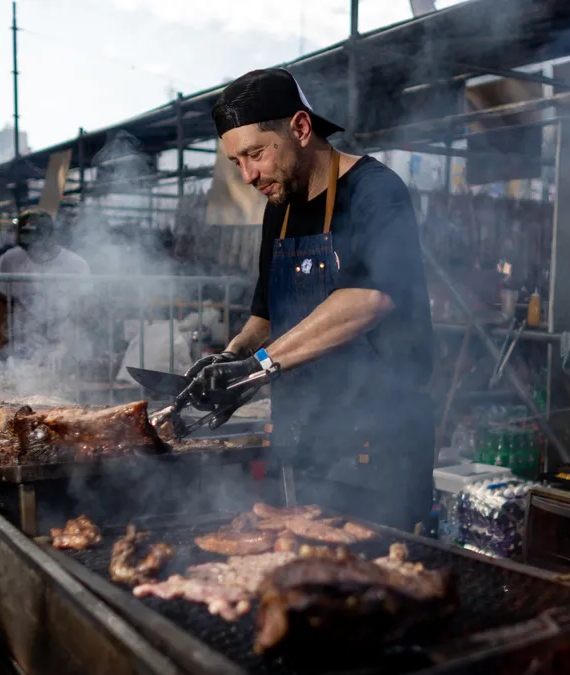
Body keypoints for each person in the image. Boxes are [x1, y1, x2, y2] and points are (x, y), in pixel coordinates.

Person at [178, 68, 435, 531]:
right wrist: (231, 359)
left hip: (377, 450)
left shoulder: (376, 191)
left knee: (374, 586)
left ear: (299, 128)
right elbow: (265, 316)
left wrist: (257, 366)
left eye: (255, 154)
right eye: (236, 162)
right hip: (303, 444)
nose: (248, 175)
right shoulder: (280, 210)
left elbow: (369, 298)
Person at [0, 208, 90, 365]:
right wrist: (4, 339)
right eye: (27, 245)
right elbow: (3, 301)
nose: (32, 250)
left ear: (51, 236)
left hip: (63, 344)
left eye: (37, 243)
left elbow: (83, 310)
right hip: (23, 344)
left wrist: (65, 346)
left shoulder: (76, 265)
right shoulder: (11, 259)